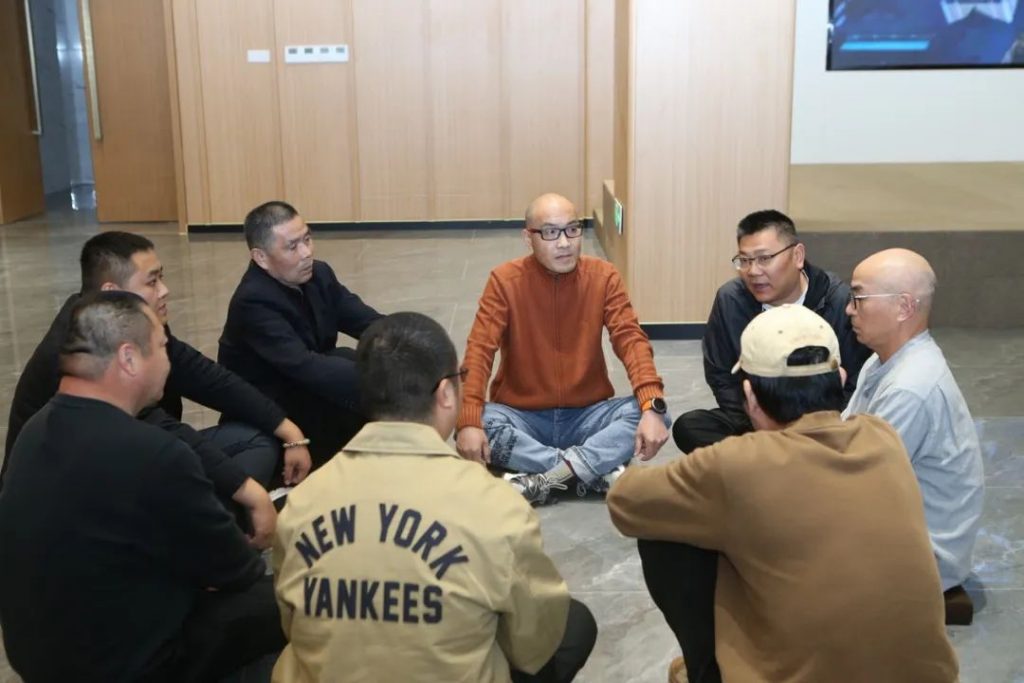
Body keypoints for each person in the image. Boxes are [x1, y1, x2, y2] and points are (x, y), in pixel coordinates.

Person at [608, 304, 958, 683]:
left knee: (666, 532)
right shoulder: (882, 436)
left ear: (750, 395)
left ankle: (707, 671)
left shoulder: (738, 463)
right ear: (841, 377)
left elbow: (626, 502)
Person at [272, 312, 597, 682]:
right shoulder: (494, 506)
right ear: (445, 393)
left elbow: (292, 624)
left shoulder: (301, 504)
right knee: (574, 623)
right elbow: (535, 645)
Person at [0, 292, 284, 682]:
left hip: (41, 659)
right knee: (301, 596)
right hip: (130, 667)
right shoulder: (155, 453)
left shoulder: (32, 432)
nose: (169, 361)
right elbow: (237, 570)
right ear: (129, 358)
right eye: (163, 348)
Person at [2, 232, 307, 544]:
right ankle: (215, 540)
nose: (164, 290)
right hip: (75, 514)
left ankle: (217, 531)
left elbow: (208, 378)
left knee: (255, 440)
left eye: (162, 277)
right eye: (151, 282)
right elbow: (163, 428)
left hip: (128, 466)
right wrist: (250, 492)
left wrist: (288, 430)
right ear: (112, 293)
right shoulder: (83, 353)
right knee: (202, 481)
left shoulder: (130, 324)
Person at [456, 193, 670, 504]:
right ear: (528, 238)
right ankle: (590, 470)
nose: (564, 242)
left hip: (587, 416)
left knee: (653, 411)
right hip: (523, 417)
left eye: (572, 229)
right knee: (478, 420)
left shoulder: (604, 277)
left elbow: (630, 340)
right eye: (550, 232)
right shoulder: (504, 281)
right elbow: (479, 351)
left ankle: (545, 478)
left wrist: (651, 404)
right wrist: (468, 421)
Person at [843, 248, 985, 593]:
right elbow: (845, 439)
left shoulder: (910, 387)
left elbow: (852, 481)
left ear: (904, 307)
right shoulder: (881, 361)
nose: (849, 309)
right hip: (895, 526)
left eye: (859, 298)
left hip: (925, 559)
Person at [672, 209, 870, 454]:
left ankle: (763, 466)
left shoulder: (838, 302)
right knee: (690, 426)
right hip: (756, 422)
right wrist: (760, 425)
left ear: (797, 256)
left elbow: (855, 381)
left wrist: (806, 434)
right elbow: (721, 375)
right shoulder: (731, 300)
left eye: (764, 258)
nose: (753, 271)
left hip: (821, 431)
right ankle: (778, 463)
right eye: (744, 260)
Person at [219, 201, 384, 468]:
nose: (306, 253)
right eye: (292, 247)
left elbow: (368, 322)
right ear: (261, 257)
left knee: (361, 359)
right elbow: (306, 366)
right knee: (372, 397)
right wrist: (386, 384)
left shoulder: (319, 274)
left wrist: (416, 350)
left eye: (307, 239)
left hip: (304, 386)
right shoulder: (253, 301)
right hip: (272, 409)